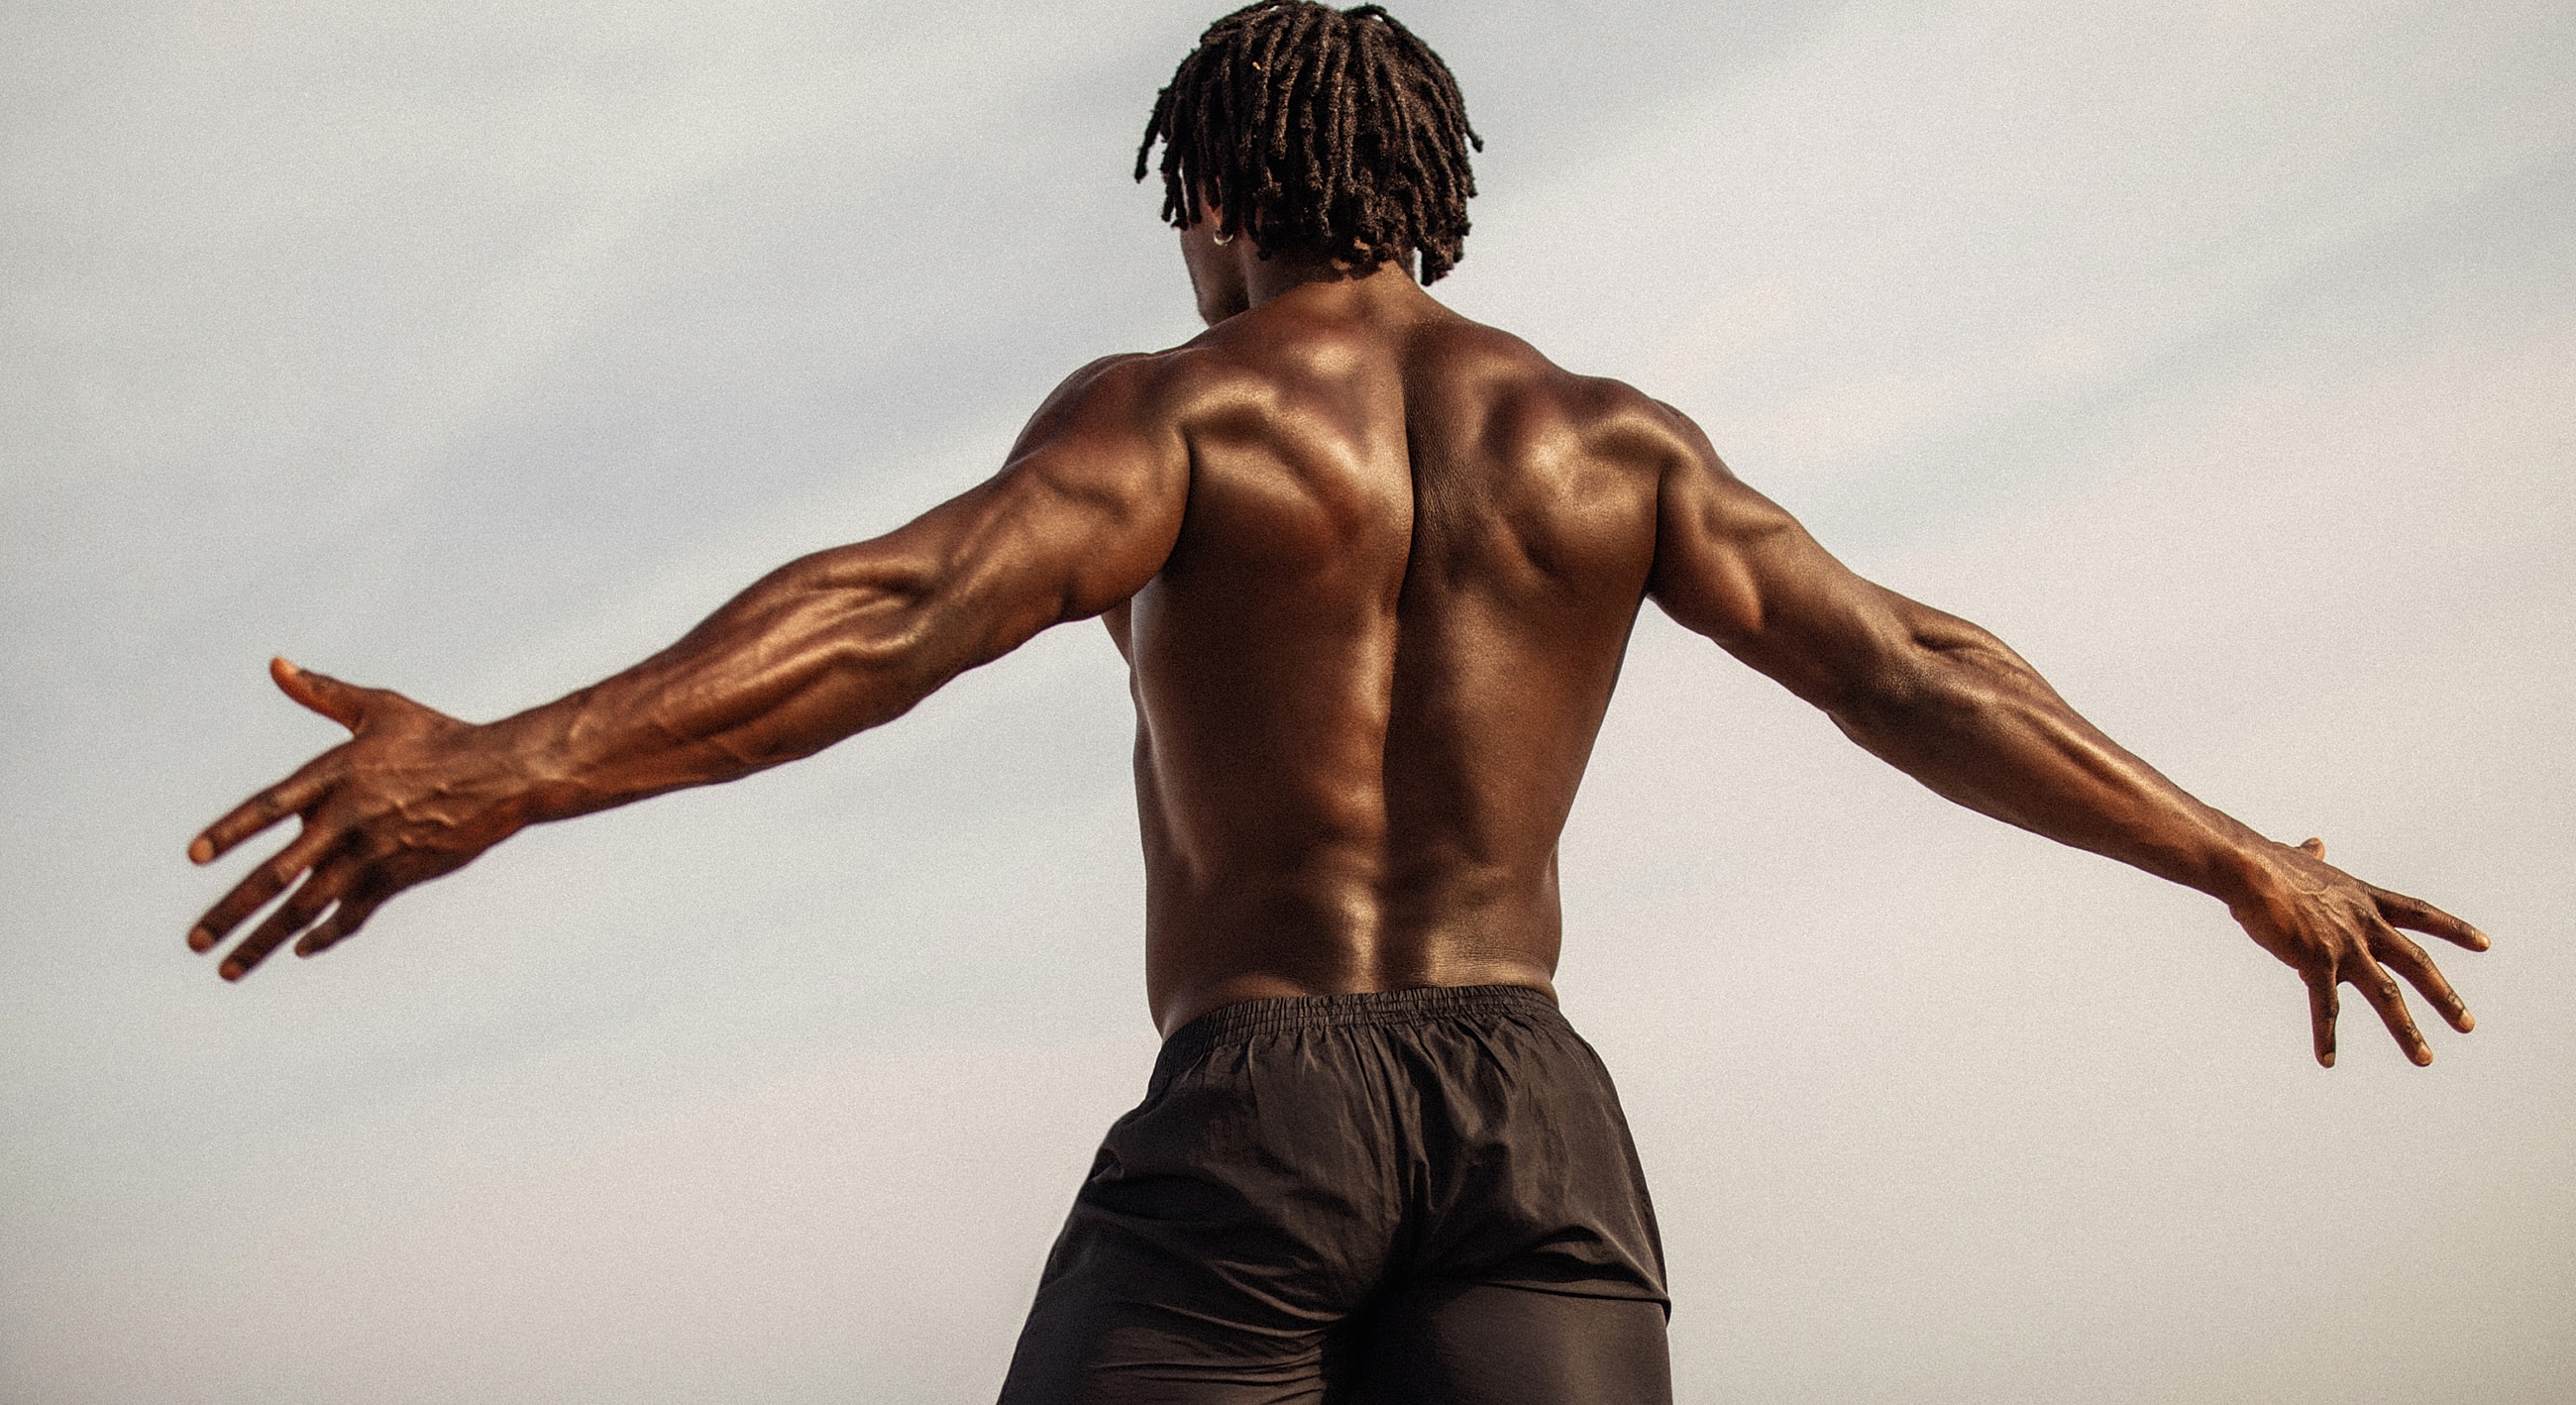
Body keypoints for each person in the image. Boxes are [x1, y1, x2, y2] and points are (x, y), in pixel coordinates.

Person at [184, 3, 2489, 1400]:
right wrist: (2237, 856)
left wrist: (507, 765)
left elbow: (893, 612)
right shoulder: (1609, 443)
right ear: (1425, 204)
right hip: (1535, 1117)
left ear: (1209, 195)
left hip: (1257, 1117)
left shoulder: (1177, 417)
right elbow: (1906, 666)